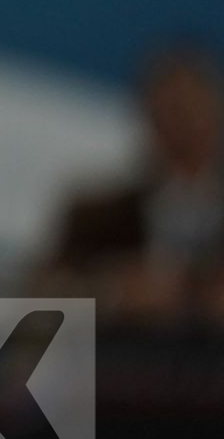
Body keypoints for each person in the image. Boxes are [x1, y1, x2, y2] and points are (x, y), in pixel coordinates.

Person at [40, 45, 224, 326]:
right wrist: (112, 292)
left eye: (192, 108)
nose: (183, 124)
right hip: (125, 363)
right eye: (169, 109)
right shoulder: (96, 215)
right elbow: (39, 296)